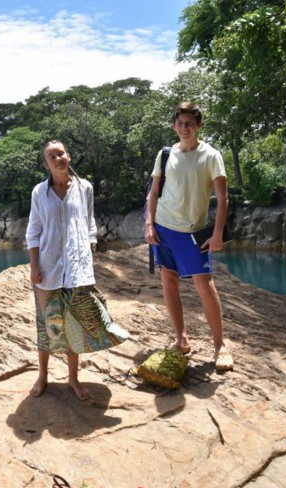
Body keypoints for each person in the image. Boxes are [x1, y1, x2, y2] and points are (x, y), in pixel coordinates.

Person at [26, 140, 128, 399]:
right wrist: (34, 265)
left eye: (61, 153)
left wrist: (89, 250)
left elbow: (89, 221)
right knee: (46, 324)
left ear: (68, 156)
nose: (58, 158)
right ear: (46, 163)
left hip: (77, 268)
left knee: (74, 324)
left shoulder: (85, 188)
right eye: (51, 156)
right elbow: (34, 231)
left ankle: (73, 378)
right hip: (48, 267)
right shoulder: (39, 192)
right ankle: (43, 376)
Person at [144, 102, 233, 371]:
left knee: (204, 284)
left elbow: (223, 197)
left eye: (189, 123)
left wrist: (217, 233)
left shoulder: (211, 155)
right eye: (180, 123)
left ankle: (220, 346)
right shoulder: (165, 154)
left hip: (193, 232)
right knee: (168, 280)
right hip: (164, 227)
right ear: (174, 125)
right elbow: (154, 191)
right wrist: (150, 223)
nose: (185, 128)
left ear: (199, 125)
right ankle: (181, 339)